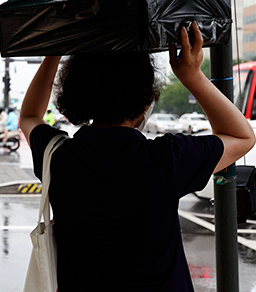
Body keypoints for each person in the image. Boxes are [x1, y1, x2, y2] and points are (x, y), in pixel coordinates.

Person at [19, 22, 255, 291]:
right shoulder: (168, 159)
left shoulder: (57, 156)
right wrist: (192, 76)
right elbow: (242, 136)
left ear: (76, 95)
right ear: (146, 99)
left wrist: (54, 53)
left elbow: (29, 116)